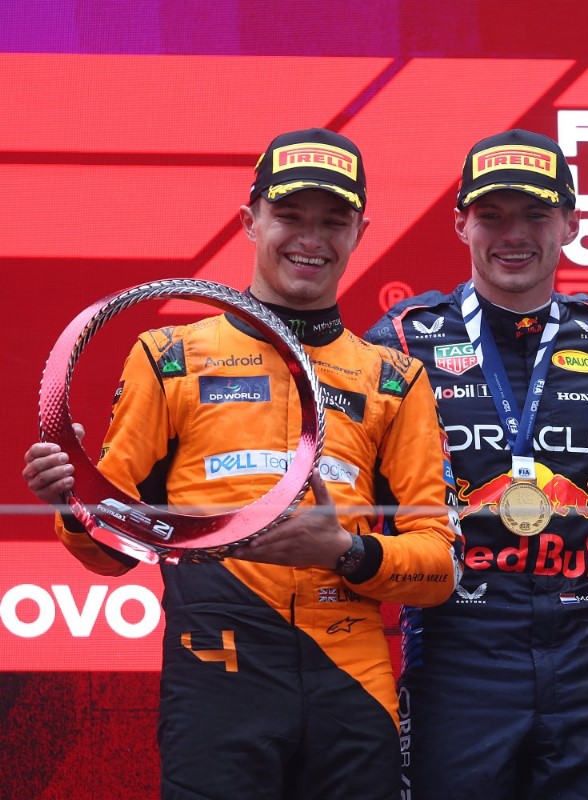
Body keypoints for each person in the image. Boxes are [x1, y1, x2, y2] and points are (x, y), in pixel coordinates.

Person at [22, 128, 461, 800]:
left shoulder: (394, 379)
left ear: (360, 231)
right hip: (216, 675)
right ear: (249, 221)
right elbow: (112, 551)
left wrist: (344, 551)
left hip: (352, 682)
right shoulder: (169, 354)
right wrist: (74, 504)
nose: (310, 239)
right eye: (289, 216)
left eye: (333, 221)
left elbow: (440, 569)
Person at [365, 129, 588, 799]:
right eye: (492, 215)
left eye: (536, 214)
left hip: (584, 652)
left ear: (570, 223)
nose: (513, 234)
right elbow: (362, 496)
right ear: (462, 222)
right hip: (459, 652)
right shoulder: (402, 339)